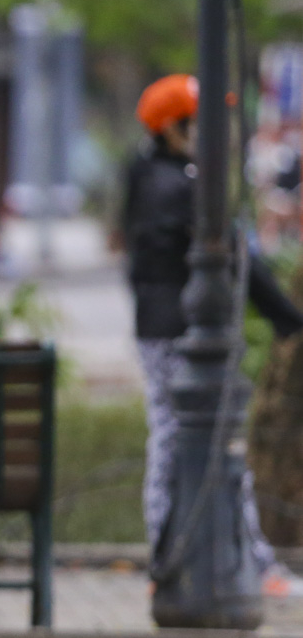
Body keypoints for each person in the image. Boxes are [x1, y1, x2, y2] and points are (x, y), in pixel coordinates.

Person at [123, 74, 303, 595]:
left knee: (181, 441)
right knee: (196, 442)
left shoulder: (155, 174)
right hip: (178, 333)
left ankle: (176, 561)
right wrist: (286, 317)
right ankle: (222, 562)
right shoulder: (178, 185)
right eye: (205, 121)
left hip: (162, 328)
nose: (217, 131)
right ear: (176, 128)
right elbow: (232, 254)